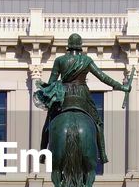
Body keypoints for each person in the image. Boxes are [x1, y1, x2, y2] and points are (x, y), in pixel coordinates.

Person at [34, 33, 130, 164]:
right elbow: (103, 77)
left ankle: (43, 154)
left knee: (48, 124)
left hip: (63, 96)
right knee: (98, 123)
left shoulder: (60, 61)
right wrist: (121, 87)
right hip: (82, 95)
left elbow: (51, 82)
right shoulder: (86, 60)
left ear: (68, 46)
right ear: (80, 47)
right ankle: (102, 154)